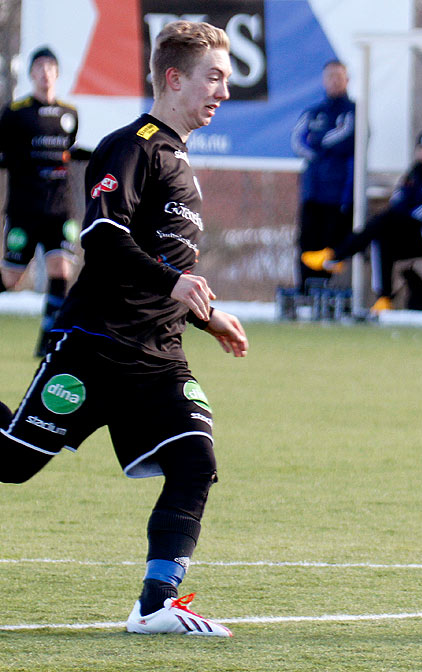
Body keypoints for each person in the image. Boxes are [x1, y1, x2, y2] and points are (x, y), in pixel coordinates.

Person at [0, 20, 247, 637]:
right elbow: (102, 239)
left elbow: (162, 259)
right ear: (173, 78)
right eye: (213, 77)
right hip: (97, 348)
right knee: (11, 463)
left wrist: (206, 315)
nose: (224, 91)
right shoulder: (131, 145)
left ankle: (155, 604)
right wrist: (176, 285)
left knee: (196, 460)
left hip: (158, 355)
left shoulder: (179, 157)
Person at [301, 130, 422, 315]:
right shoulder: (415, 173)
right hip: (414, 230)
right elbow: (399, 198)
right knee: (381, 236)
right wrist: (402, 213)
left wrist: (405, 215)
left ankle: (336, 255)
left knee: (385, 220)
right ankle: (383, 298)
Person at [0, 46, 91, 356]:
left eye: (50, 67)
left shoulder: (69, 113)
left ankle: (48, 340)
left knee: (61, 272)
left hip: (59, 210)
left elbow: (71, 150)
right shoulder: (15, 112)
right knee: (10, 279)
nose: (45, 73)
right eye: (39, 68)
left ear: (57, 73)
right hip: (24, 211)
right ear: (31, 74)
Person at [291, 59, 356, 293]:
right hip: (312, 190)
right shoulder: (314, 112)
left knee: (331, 243)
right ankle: (304, 290)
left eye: (339, 77)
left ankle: (326, 290)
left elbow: (344, 137)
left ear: (347, 80)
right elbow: (298, 142)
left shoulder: (352, 112)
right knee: (307, 242)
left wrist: (318, 141)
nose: (334, 81)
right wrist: (319, 149)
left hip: (338, 194)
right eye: (330, 77)